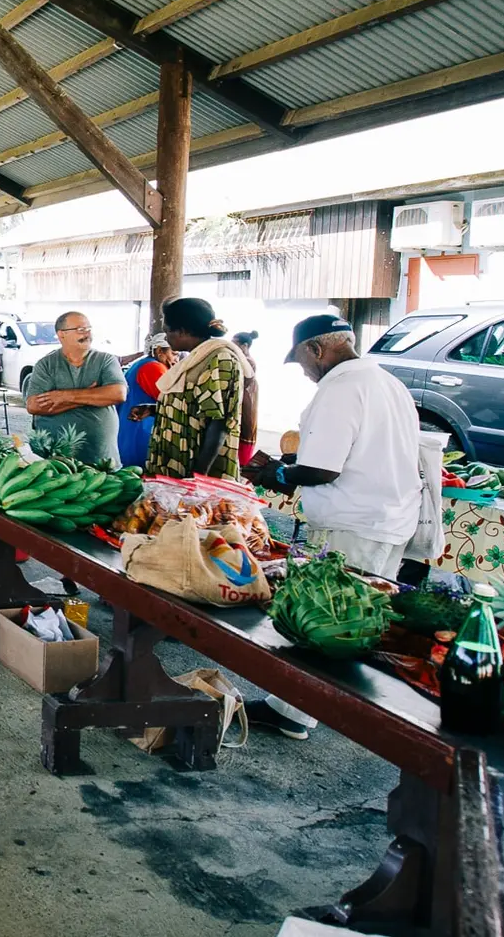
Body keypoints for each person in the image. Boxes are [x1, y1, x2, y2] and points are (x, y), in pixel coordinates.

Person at [248, 314, 421, 740]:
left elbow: (323, 469)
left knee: (326, 619)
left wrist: (275, 475)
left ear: (316, 350)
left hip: (355, 521)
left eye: (302, 362)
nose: (304, 372)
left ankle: (294, 712)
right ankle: (322, 708)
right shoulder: (385, 381)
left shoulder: (341, 388)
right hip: (387, 517)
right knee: (357, 621)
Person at [142, 297, 249, 480]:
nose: (166, 337)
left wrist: (199, 476)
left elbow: (218, 422)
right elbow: (194, 407)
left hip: (194, 468)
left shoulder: (220, 359)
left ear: (182, 331)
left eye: (168, 331)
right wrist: (154, 410)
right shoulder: (196, 357)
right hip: (178, 462)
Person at [21, 311, 125, 466]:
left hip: (100, 455)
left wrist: (63, 397)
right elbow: (34, 406)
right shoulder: (46, 365)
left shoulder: (105, 360)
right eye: (81, 329)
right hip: (56, 457)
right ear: (61, 334)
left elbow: (118, 394)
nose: (87, 334)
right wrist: (92, 397)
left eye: (89, 329)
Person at [117, 334, 175, 468]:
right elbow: (171, 399)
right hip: (141, 429)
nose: (176, 359)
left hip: (131, 428)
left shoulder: (141, 363)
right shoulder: (153, 367)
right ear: (160, 351)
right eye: (174, 354)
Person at [233, 330, 262, 468]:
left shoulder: (247, 362)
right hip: (245, 399)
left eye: (235, 344)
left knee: (245, 430)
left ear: (245, 346)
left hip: (246, 402)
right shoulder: (243, 360)